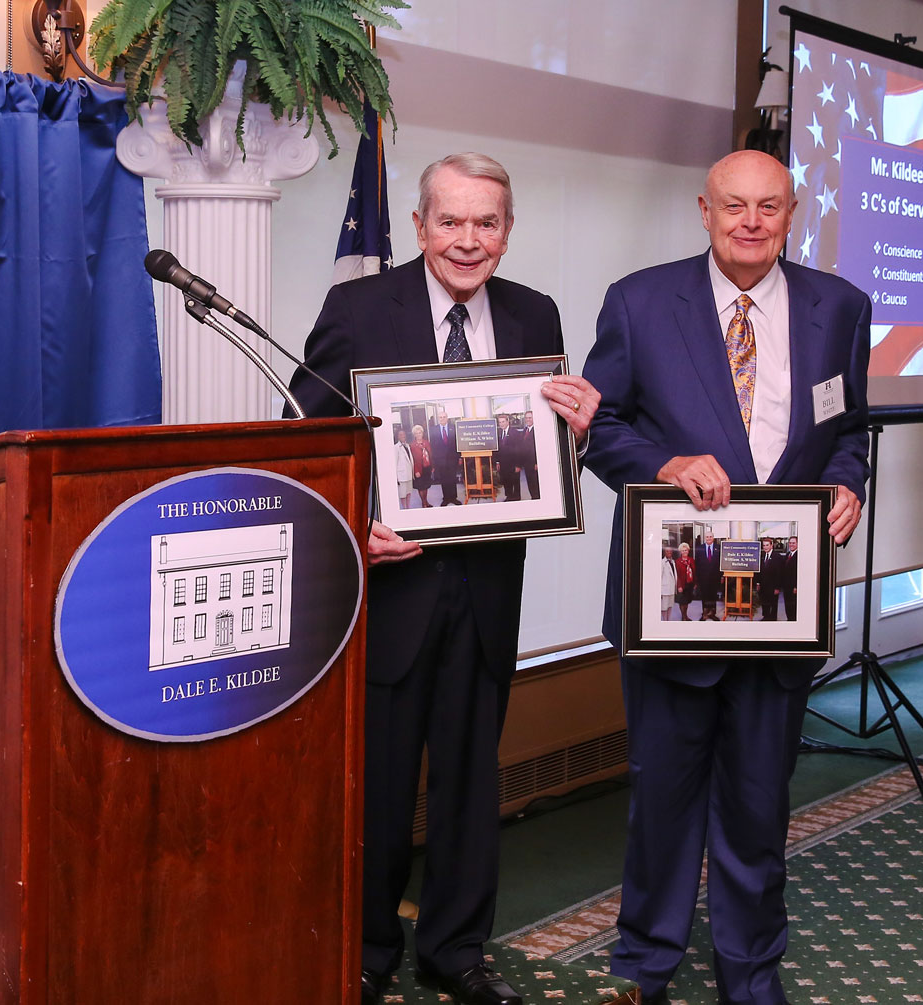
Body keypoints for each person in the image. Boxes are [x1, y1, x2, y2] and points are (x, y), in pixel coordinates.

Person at [290, 152, 599, 1005]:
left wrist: (581, 430)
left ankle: (458, 952)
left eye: (487, 222)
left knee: (470, 782)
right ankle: (366, 949)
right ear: (421, 226)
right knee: (380, 788)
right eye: (451, 221)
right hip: (394, 593)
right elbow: (304, 439)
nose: (469, 240)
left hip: (490, 591)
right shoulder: (358, 307)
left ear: (507, 229)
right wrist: (353, 525)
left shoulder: (535, 313)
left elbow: (541, 455)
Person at [583, 149, 869, 1005]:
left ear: (793, 213)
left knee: (757, 803)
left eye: (769, 207)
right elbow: (600, 428)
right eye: (734, 205)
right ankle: (645, 967)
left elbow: (852, 426)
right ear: (703, 209)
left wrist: (851, 480)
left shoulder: (840, 306)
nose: (751, 221)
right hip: (674, 599)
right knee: (662, 802)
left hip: (783, 602)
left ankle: (749, 971)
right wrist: (666, 462)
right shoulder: (639, 300)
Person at [429, 407, 462, 505]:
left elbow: (457, 443)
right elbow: (433, 446)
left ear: (447, 418)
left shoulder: (453, 428)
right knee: (444, 479)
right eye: (440, 417)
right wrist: (434, 461)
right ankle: (446, 498)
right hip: (440, 460)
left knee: (452, 478)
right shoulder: (433, 430)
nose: (442, 419)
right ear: (438, 419)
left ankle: (453, 498)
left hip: (452, 459)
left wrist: (459, 457)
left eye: (444, 417)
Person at [493, 413, 522, 501]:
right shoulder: (500, 432)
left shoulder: (515, 433)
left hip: (513, 463)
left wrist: (518, 465)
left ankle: (516, 497)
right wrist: (497, 462)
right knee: (506, 481)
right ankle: (509, 496)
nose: (501, 424)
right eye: (500, 422)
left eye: (503, 422)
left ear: (508, 422)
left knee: (515, 481)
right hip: (503, 463)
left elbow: (519, 450)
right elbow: (498, 449)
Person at [694, 529, 722, 621]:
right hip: (703, 578)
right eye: (707, 537)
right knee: (705, 596)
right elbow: (697, 563)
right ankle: (705, 614)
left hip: (715, 577)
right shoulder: (699, 548)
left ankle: (713, 614)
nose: (709, 538)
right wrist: (697, 578)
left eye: (710, 536)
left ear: (713, 538)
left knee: (713, 596)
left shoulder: (718, 548)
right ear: (704, 538)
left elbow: (721, 563)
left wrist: (721, 576)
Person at [756, 537, 783, 621]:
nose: (765, 547)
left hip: (773, 586)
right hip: (763, 585)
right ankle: (766, 617)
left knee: (773, 604)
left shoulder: (777, 557)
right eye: (764, 545)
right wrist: (758, 583)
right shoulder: (762, 555)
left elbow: (779, 573)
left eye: (767, 545)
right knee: (764, 602)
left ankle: (773, 619)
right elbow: (759, 571)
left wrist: (777, 587)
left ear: (771, 546)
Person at [409, 424, 434, 507]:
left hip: (427, 467)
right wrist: (415, 471)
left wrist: (432, 466)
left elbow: (430, 455)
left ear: (422, 433)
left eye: (420, 433)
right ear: (414, 435)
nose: (419, 435)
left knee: (426, 486)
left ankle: (426, 501)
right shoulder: (412, 445)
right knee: (421, 487)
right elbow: (412, 459)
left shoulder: (426, 442)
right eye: (417, 433)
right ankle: (423, 503)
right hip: (419, 469)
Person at [674, 541, 695, 621]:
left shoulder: (691, 560)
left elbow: (694, 571)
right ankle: (683, 617)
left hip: (689, 584)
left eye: (686, 550)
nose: (684, 552)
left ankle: (685, 616)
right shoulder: (677, 562)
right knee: (682, 601)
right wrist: (679, 586)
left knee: (686, 601)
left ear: (688, 551)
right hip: (682, 584)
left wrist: (695, 583)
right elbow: (677, 575)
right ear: (680, 552)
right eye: (683, 550)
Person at [521, 410, 540, 499]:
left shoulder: (537, 431)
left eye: (530, 417)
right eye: (526, 418)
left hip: (534, 463)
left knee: (536, 483)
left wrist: (537, 462)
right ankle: (533, 498)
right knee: (530, 482)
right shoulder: (525, 430)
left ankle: (537, 499)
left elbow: (539, 448)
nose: (527, 419)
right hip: (527, 463)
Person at [394, 428, 414, 509]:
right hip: (402, 475)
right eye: (400, 435)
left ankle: (408, 507)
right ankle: (404, 507)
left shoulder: (407, 445)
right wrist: (396, 477)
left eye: (404, 434)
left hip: (409, 474)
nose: (403, 436)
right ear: (398, 436)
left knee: (409, 492)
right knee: (403, 494)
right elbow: (395, 462)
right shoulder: (396, 447)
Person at [782, 535, 798, 620]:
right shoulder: (788, 554)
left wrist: (796, 586)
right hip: (786, 586)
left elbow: (798, 573)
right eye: (790, 543)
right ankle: (789, 620)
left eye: (793, 543)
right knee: (787, 605)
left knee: (793, 606)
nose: (791, 545)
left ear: (798, 544)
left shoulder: (799, 556)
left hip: (793, 587)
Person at [660, 546, 678, 621]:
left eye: (670, 551)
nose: (669, 553)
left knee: (670, 606)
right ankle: (664, 620)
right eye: (667, 551)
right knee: (664, 607)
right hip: (665, 590)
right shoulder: (662, 562)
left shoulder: (673, 562)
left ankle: (668, 620)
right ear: (664, 552)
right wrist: (659, 591)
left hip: (671, 589)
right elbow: (659, 577)